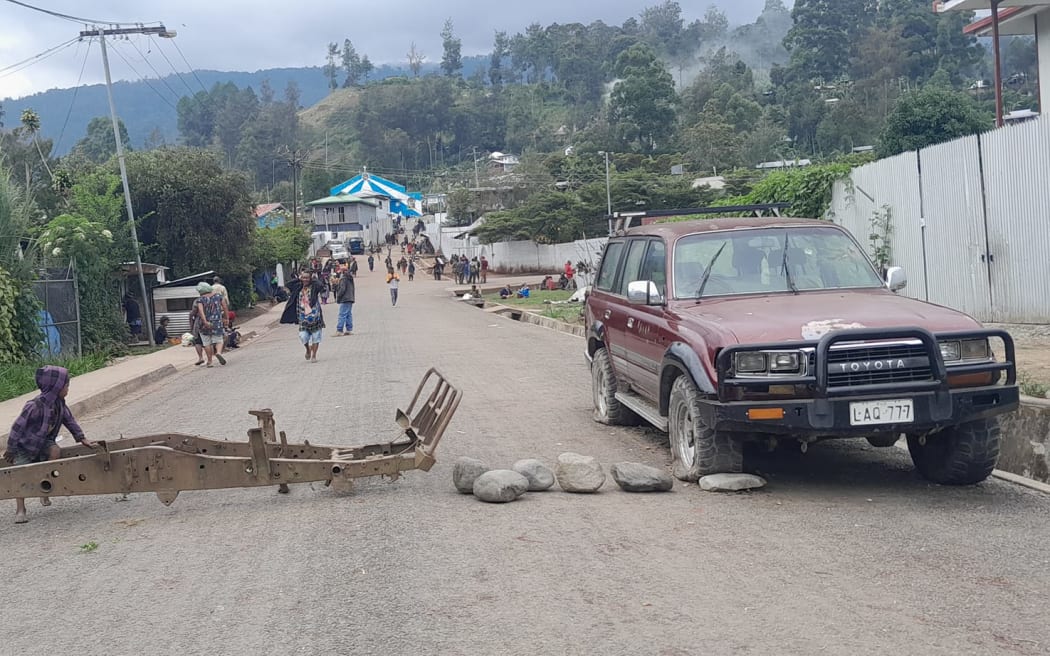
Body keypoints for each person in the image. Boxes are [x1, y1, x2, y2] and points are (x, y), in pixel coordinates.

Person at [4, 366, 96, 523]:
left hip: (45, 442)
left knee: (55, 451)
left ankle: (44, 488)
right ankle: (21, 508)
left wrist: (82, 438)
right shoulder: (34, 406)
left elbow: (70, 421)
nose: (67, 390)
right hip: (25, 445)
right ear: (55, 388)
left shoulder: (60, 404)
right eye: (66, 386)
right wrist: (11, 449)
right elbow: (16, 428)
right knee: (19, 474)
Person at [281, 270, 325, 362]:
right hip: (302, 317)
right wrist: (299, 279)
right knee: (303, 336)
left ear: (310, 278)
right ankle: (308, 349)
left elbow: (321, 285)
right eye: (303, 277)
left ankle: (314, 356)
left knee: (316, 336)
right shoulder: (298, 287)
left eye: (307, 278)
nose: (305, 279)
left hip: (315, 316)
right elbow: (288, 284)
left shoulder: (314, 286)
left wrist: (313, 279)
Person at [194, 282, 229, 367]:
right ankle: (219, 353)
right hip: (217, 322)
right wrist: (226, 318)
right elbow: (225, 307)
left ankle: (209, 361)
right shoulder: (218, 297)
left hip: (204, 324)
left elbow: (201, 312)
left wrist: (205, 321)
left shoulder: (200, 299)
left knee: (207, 343)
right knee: (219, 340)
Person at [334, 267, 356, 336]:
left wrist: (338, 297)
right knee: (348, 314)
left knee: (342, 314)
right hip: (350, 298)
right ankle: (349, 329)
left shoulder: (344, 279)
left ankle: (339, 330)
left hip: (345, 298)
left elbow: (342, 289)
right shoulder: (350, 278)